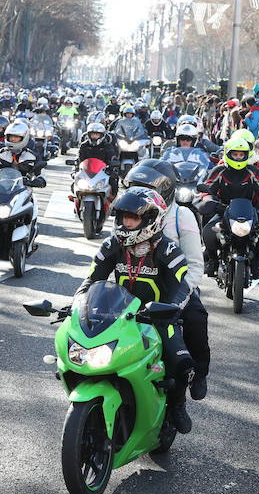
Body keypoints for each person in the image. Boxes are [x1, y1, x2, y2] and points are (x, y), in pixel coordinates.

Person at [75, 186, 195, 433]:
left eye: (133, 218)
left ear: (151, 220)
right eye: (123, 217)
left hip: (157, 319)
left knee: (182, 363)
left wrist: (169, 310)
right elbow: (91, 281)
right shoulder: (111, 245)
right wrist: (78, 302)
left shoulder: (168, 250)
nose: (126, 223)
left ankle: (177, 406)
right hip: (117, 317)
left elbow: (182, 288)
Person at [122, 161, 209, 400]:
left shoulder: (182, 216)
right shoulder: (126, 213)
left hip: (174, 289)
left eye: (146, 188)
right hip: (133, 284)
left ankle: (196, 378)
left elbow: (194, 266)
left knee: (195, 319)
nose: (138, 195)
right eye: (134, 188)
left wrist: (177, 300)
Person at [200, 137, 259, 278]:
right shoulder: (220, 170)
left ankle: (255, 263)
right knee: (208, 231)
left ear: (246, 155)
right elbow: (208, 189)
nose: (238, 158)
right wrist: (211, 201)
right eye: (235, 154)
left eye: (241, 155)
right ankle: (212, 261)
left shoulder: (252, 171)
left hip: (249, 211)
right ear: (228, 154)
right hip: (224, 209)